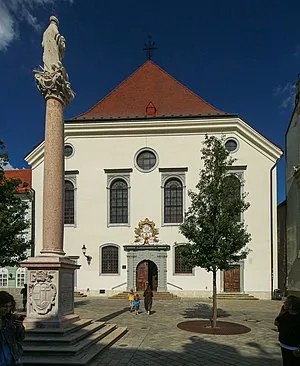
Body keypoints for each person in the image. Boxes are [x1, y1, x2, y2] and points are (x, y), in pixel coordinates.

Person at [0, 291, 25, 365]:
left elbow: (20, 338)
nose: (7, 309)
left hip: (11, 355)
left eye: (9, 306)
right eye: (4, 306)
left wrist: (20, 327)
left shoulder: (12, 318)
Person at [274, 295, 300, 366]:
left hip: (295, 349)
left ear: (291, 306)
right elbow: (276, 322)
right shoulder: (284, 315)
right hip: (284, 345)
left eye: (286, 302)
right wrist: (281, 312)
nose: (284, 303)